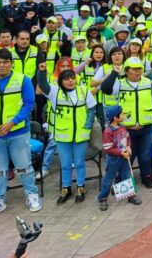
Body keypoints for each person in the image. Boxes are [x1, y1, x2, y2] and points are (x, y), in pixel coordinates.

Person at [37, 64, 96, 205]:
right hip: (63, 136)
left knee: (80, 163)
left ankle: (81, 187)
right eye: (67, 79)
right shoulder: (55, 92)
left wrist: (87, 125)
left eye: (72, 78)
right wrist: (42, 71)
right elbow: (43, 84)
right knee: (65, 164)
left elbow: (92, 109)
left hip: (81, 134)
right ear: (61, 81)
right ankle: (66, 188)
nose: (70, 81)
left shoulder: (83, 90)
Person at [100, 57, 152, 188]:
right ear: (127, 71)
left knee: (145, 154)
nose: (138, 71)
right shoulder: (119, 83)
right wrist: (114, 73)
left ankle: (146, 175)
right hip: (126, 129)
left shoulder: (149, 83)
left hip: (147, 126)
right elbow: (105, 88)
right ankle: (123, 177)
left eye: (139, 68)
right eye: (134, 69)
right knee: (128, 155)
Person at [0, 48, 42, 213]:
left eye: (5, 62)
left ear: (11, 63)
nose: (1, 66)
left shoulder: (22, 79)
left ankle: (31, 195)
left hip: (18, 132)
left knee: (24, 166)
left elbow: (29, 104)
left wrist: (12, 123)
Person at [97, 105, 142, 210]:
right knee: (108, 179)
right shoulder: (108, 131)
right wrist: (121, 152)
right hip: (113, 159)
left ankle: (130, 195)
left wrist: (128, 146)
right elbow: (108, 149)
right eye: (121, 114)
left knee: (127, 176)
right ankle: (103, 198)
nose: (123, 115)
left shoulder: (122, 127)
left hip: (124, 157)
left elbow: (127, 137)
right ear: (115, 117)